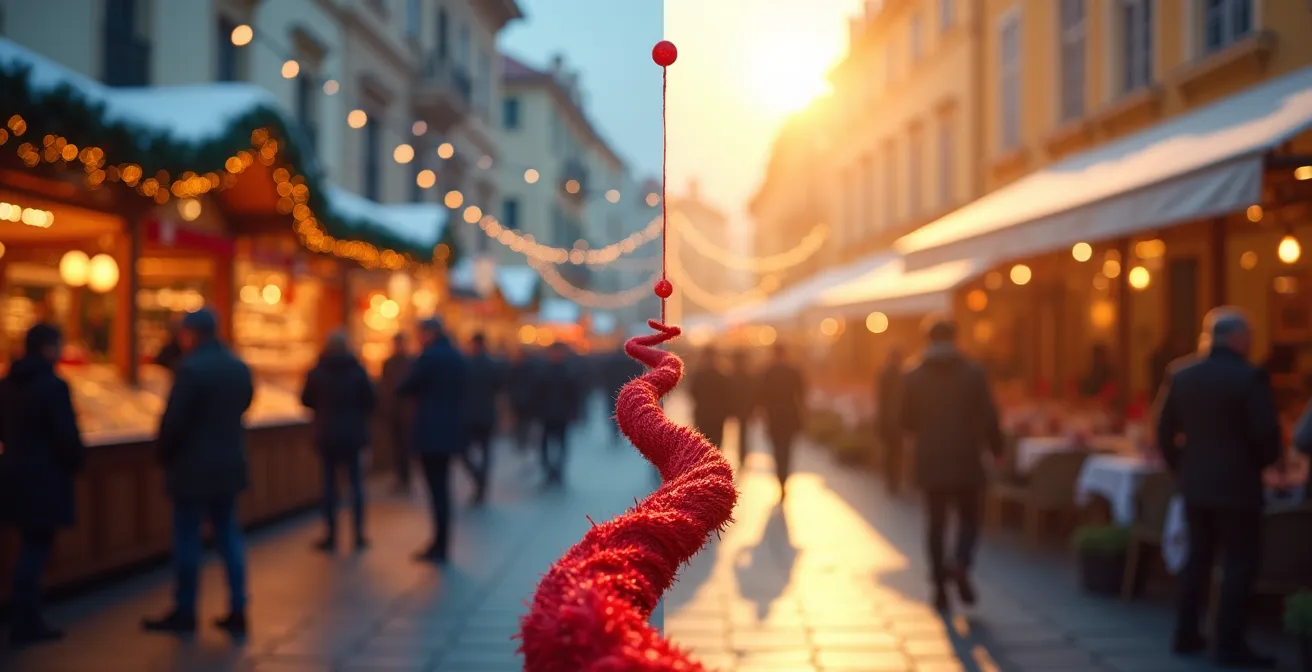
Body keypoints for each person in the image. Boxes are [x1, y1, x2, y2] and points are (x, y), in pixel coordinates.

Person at [1155, 308, 1281, 668]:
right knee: (1239, 564)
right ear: (1237, 338)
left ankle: (1185, 633)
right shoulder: (1249, 376)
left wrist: (1182, 467)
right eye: (1249, 337)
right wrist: (1258, 464)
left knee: (1197, 559)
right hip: (1238, 486)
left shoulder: (1183, 374)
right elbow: (1267, 435)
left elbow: (1163, 432)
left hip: (1196, 484)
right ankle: (1228, 643)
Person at [143, 307, 253, 637]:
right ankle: (237, 607)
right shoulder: (237, 366)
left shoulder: (190, 369)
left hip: (192, 467)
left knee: (188, 538)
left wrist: (163, 455)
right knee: (229, 537)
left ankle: (186, 608)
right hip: (228, 463)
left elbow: (174, 422)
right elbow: (246, 403)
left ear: (189, 334)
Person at [900, 318, 1003, 614]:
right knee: (970, 517)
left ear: (927, 340)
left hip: (930, 458)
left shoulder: (914, 375)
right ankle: (960, 562)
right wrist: (997, 448)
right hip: (966, 456)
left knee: (935, 523)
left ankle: (939, 587)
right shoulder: (973, 373)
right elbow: (989, 415)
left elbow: (905, 422)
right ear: (955, 338)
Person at [0, 324, 85, 645]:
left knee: (27, 547)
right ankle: (27, 621)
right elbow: (66, 437)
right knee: (36, 550)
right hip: (46, 477)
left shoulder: (7, 384)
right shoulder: (52, 386)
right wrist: (75, 461)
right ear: (49, 348)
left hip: (13, 474)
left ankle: (26, 616)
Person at [397, 318, 469, 564]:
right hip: (451, 430)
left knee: (435, 488)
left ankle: (439, 544)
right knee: (443, 488)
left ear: (429, 334)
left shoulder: (427, 358)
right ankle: (442, 542)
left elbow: (406, 387)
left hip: (429, 431)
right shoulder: (458, 357)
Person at [301, 330, 377, 552]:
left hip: (327, 434)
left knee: (328, 486)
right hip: (353, 434)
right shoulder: (358, 371)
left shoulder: (318, 372)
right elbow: (371, 400)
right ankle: (358, 534)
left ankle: (331, 534)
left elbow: (306, 399)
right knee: (355, 485)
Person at [756, 343, 806, 499]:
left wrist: (762, 416)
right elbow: (802, 395)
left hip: (774, 417)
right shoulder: (794, 371)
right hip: (790, 415)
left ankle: (781, 479)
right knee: (787, 450)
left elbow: (762, 397)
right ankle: (784, 478)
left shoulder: (767, 372)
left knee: (777, 450)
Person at [535, 342, 581, 487]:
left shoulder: (567, 371)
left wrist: (574, 412)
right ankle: (549, 471)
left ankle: (557, 471)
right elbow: (536, 393)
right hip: (547, 414)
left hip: (561, 414)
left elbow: (574, 395)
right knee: (545, 445)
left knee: (561, 444)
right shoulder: (544, 371)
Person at [464, 333, 503, 505]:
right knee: (486, 450)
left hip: (471, 414)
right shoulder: (492, 364)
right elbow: (499, 389)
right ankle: (482, 479)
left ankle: (479, 478)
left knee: (465, 451)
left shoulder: (467, 364)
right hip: (487, 413)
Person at [379, 332, 414, 492]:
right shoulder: (390, 363)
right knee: (396, 446)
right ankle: (400, 476)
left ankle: (406, 477)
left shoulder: (411, 362)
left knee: (406, 446)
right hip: (394, 411)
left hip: (406, 412)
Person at [688, 346, 732, 450]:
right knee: (716, 444)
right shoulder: (722, 376)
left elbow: (693, 393)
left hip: (702, 414)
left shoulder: (698, 375)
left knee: (702, 444)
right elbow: (727, 396)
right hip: (718, 415)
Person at [876, 346, 906, 494]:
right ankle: (894, 480)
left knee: (891, 452)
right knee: (895, 452)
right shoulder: (902, 374)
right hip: (897, 421)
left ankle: (892, 480)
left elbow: (881, 401)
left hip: (890, 420)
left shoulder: (887, 374)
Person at [726, 350, 757, 469]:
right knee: (743, 434)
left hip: (735, 408)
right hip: (745, 409)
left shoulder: (731, 376)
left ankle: (741, 455)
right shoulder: (749, 377)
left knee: (738, 434)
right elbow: (753, 394)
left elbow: (728, 394)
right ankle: (742, 456)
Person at [507, 347, 539, 454]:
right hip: (521, 400)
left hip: (524, 400)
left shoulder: (516, 368)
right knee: (522, 422)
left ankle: (521, 440)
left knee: (523, 421)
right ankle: (521, 440)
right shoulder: (522, 368)